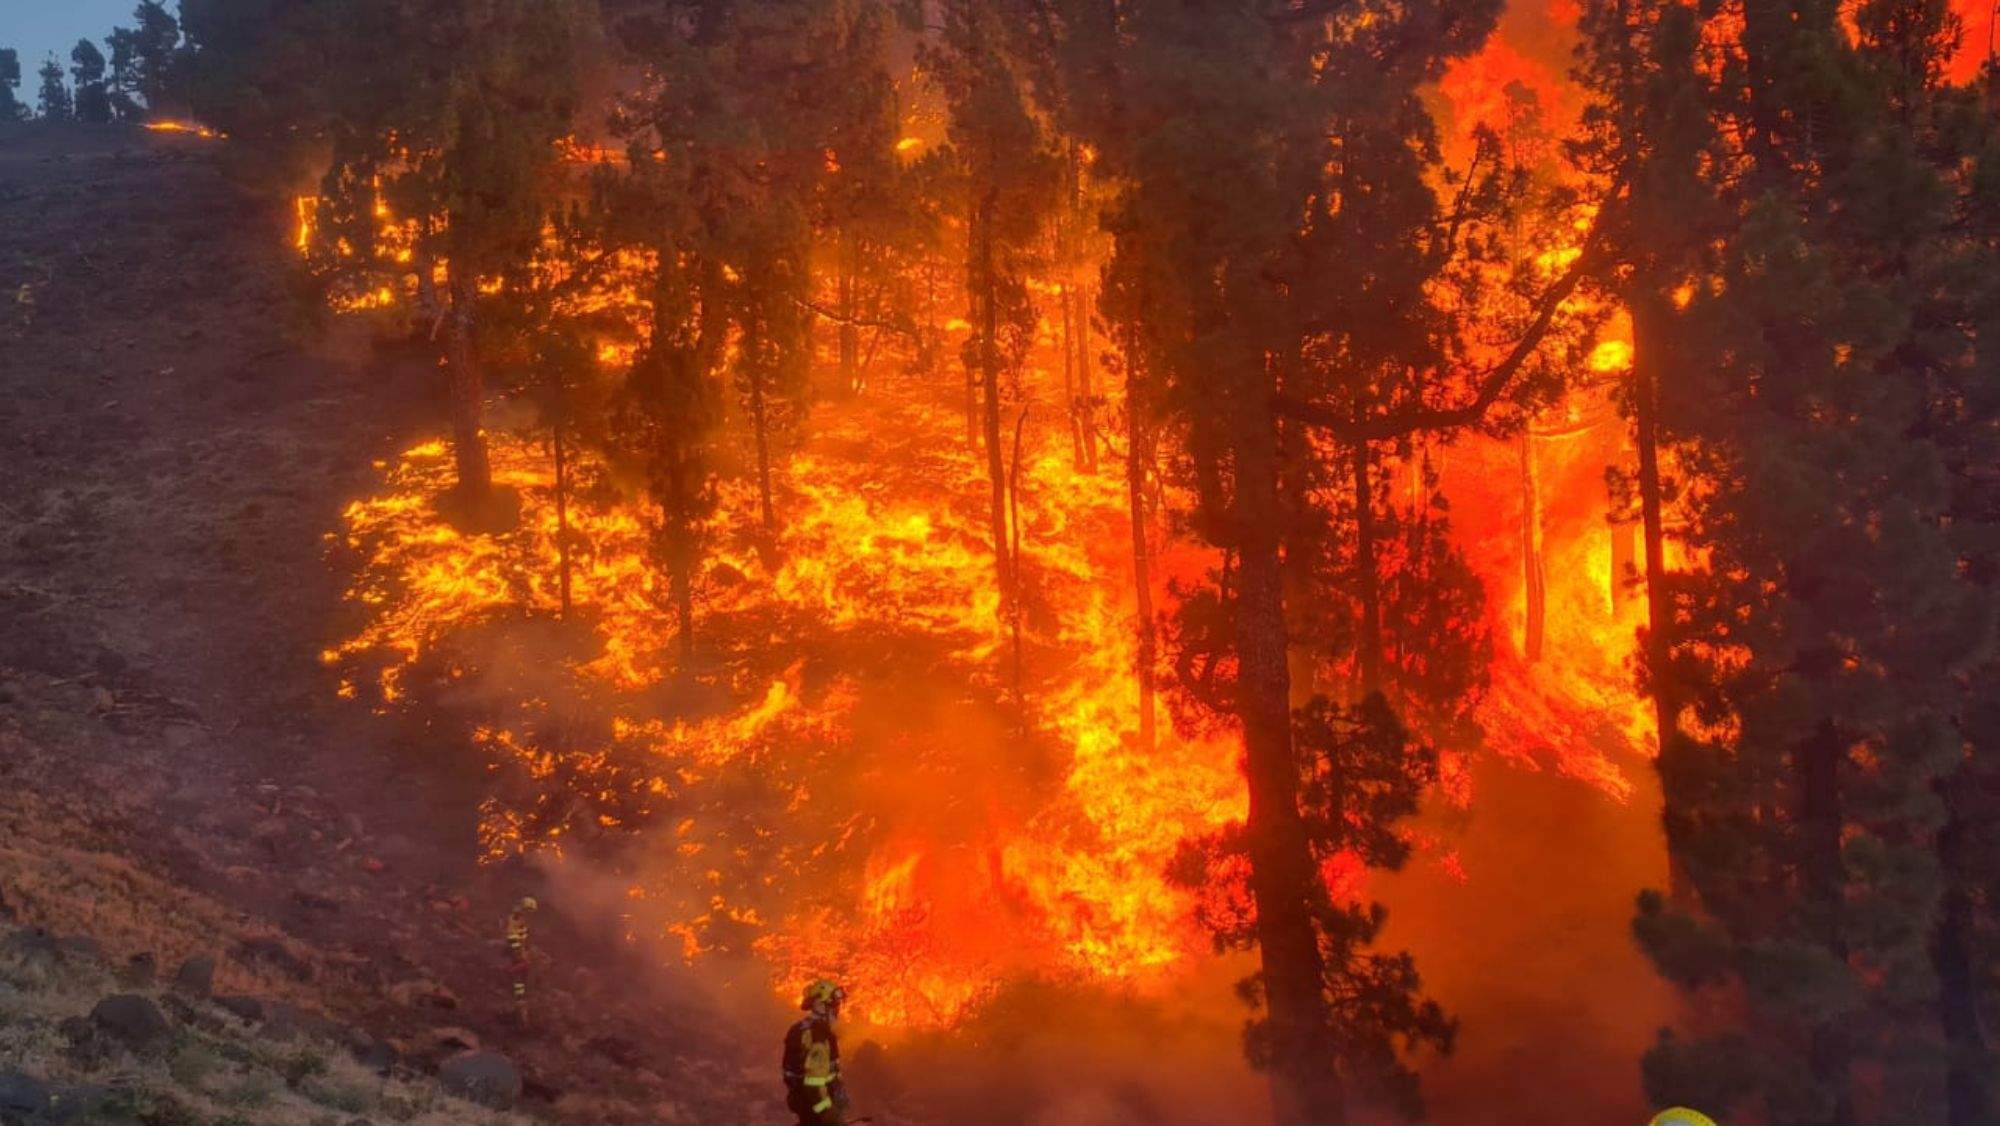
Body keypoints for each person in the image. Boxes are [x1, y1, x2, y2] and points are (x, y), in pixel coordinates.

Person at [782, 979, 851, 1125]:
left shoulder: (803, 1029)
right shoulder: (818, 1037)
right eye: (834, 1006)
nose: (837, 1011)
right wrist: (827, 1113)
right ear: (821, 1006)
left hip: (807, 1108)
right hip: (816, 1113)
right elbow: (813, 1084)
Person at [505, 896, 537, 1027]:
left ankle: (521, 995)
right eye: (529, 911)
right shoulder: (516, 918)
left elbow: (522, 935)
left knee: (523, 975)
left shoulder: (522, 918)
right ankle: (509, 974)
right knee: (522, 968)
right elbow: (512, 936)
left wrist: (525, 950)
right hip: (514, 950)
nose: (531, 914)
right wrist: (518, 952)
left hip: (520, 948)